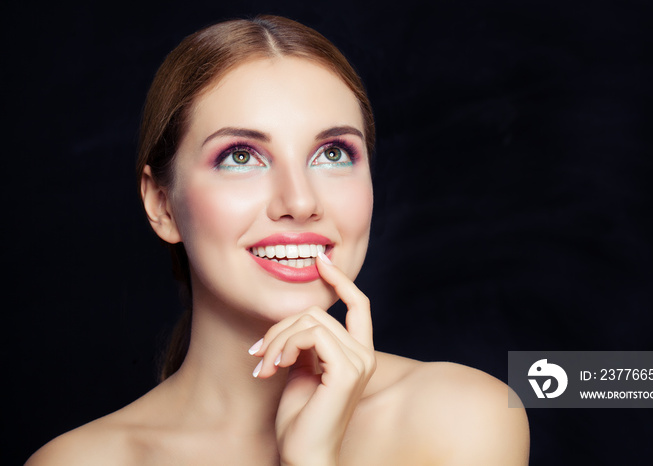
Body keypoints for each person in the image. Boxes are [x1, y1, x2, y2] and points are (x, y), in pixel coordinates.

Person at [26, 15, 529, 465]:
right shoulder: (79, 460)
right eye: (241, 157)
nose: (300, 200)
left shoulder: (462, 416)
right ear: (161, 204)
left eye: (333, 154)